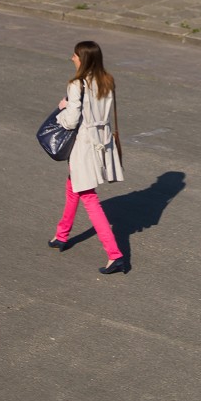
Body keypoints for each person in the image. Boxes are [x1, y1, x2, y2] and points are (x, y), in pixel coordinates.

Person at [47, 41, 126, 275]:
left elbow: (71, 121)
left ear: (83, 59)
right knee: (73, 187)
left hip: (84, 144)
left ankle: (115, 254)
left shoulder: (76, 84)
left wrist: (63, 109)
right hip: (103, 142)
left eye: (75, 55)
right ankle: (61, 235)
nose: (72, 58)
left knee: (88, 197)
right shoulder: (107, 80)